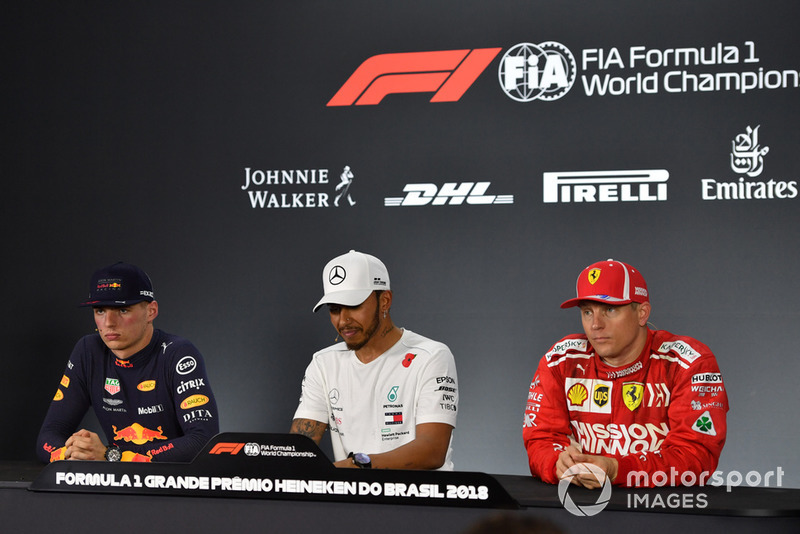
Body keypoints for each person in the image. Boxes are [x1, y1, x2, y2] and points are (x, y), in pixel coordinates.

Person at [523, 259, 728, 488]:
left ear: (642, 313)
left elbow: (696, 454)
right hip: (582, 507)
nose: (596, 325)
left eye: (610, 310)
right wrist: (557, 463)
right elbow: (541, 438)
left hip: (661, 511)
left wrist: (617, 470)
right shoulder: (560, 360)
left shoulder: (688, 363)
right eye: (588, 312)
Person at [291, 250, 458, 470]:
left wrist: (354, 466)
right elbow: (298, 450)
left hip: (422, 500)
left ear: (385, 301)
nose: (343, 320)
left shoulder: (431, 356)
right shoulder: (323, 364)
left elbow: (432, 451)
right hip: (352, 499)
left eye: (353, 306)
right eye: (334, 309)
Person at [36, 262, 219, 463]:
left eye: (122, 310)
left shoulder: (178, 354)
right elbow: (48, 436)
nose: (108, 323)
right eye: (100, 311)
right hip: (118, 483)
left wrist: (112, 456)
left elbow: (202, 441)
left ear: (151, 311)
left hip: (173, 486)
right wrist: (71, 453)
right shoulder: (89, 351)